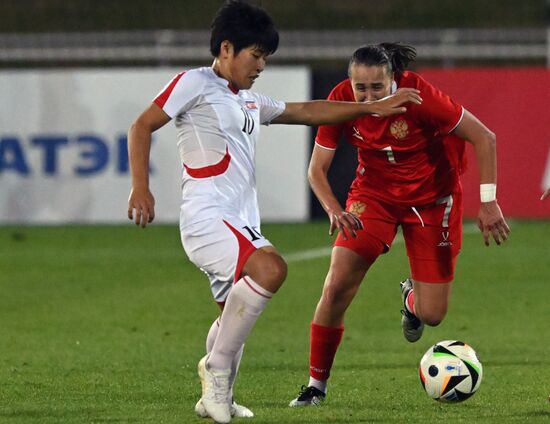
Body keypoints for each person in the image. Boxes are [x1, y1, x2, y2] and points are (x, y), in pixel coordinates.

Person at [127, 2, 421, 422]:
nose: (261, 64)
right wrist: (141, 186)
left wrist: (369, 108)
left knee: (233, 315)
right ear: (226, 48)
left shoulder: (246, 99)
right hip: (209, 217)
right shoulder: (194, 82)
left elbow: (304, 111)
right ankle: (215, 373)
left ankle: (217, 399)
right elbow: (141, 126)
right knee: (271, 270)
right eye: (256, 54)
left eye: (265, 56)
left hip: (239, 220)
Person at [289, 43, 510, 407]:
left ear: (394, 79)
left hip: (432, 200)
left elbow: (484, 136)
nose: (369, 95)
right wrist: (333, 208)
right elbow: (316, 170)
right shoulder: (342, 100)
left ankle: (412, 300)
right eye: (361, 88)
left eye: (377, 87)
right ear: (350, 83)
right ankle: (316, 386)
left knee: (433, 315)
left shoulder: (421, 98)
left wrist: (488, 202)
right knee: (338, 283)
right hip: (373, 196)